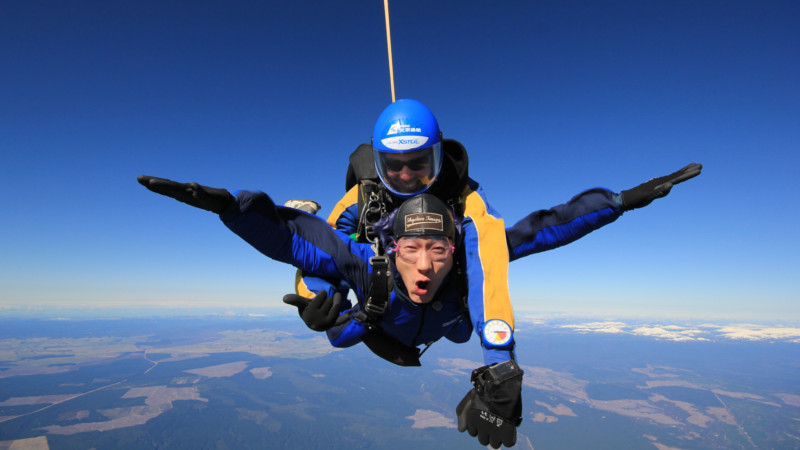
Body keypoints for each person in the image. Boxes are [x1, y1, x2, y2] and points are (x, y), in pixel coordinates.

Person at [137, 176, 524, 447]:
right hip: (378, 313)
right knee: (337, 325)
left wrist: (501, 371)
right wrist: (237, 210)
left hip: (435, 316)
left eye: (438, 250)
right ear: (393, 247)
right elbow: (311, 245)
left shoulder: (463, 259)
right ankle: (295, 209)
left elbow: (550, 226)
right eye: (412, 249)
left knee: (461, 326)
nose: (424, 264)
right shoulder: (370, 242)